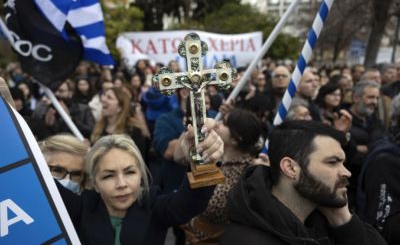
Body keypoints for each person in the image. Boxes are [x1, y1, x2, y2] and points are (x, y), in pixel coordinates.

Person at [221, 120, 386, 245]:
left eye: (343, 163)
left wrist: (343, 220)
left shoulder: (324, 221)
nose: (346, 172)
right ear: (291, 168)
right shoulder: (247, 239)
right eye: (332, 162)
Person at [57, 125, 223, 245]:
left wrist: (204, 161)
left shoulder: (154, 205)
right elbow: (38, 185)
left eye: (130, 172)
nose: (121, 184)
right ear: (95, 183)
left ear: (141, 174)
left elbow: (190, 203)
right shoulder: (81, 207)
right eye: (108, 176)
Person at [182, 109, 263, 244]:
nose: (217, 124)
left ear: (236, 139)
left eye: (224, 123)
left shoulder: (249, 173)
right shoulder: (215, 158)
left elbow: (211, 209)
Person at [91, 87, 150, 158]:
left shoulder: (134, 130)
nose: (103, 99)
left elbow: (138, 159)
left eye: (109, 98)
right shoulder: (99, 128)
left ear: (120, 107)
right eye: (104, 96)